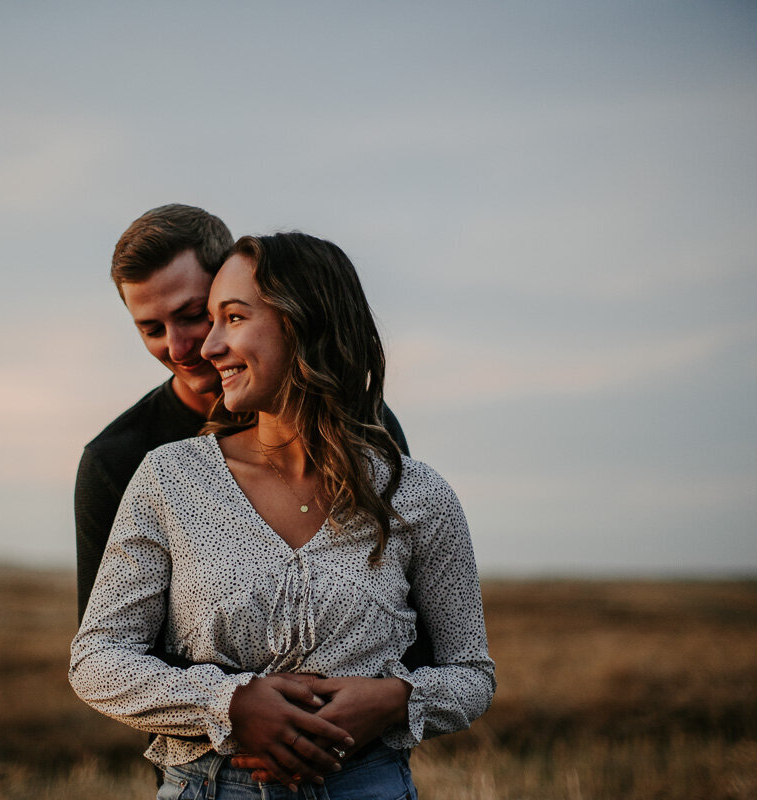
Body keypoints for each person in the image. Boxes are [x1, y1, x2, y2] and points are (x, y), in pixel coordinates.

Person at [70, 232, 495, 798]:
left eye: (232, 318)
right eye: (208, 320)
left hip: (370, 785)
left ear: (303, 322)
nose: (204, 346)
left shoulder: (416, 492)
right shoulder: (165, 478)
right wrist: (231, 705)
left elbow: (472, 673)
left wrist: (396, 699)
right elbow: (97, 660)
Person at [74, 204, 411, 625]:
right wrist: (241, 691)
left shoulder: (362, 420)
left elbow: (405, 603)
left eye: (193, 315)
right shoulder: (115, 460)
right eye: (152, 330)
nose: (179, 348)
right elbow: (107, 653)